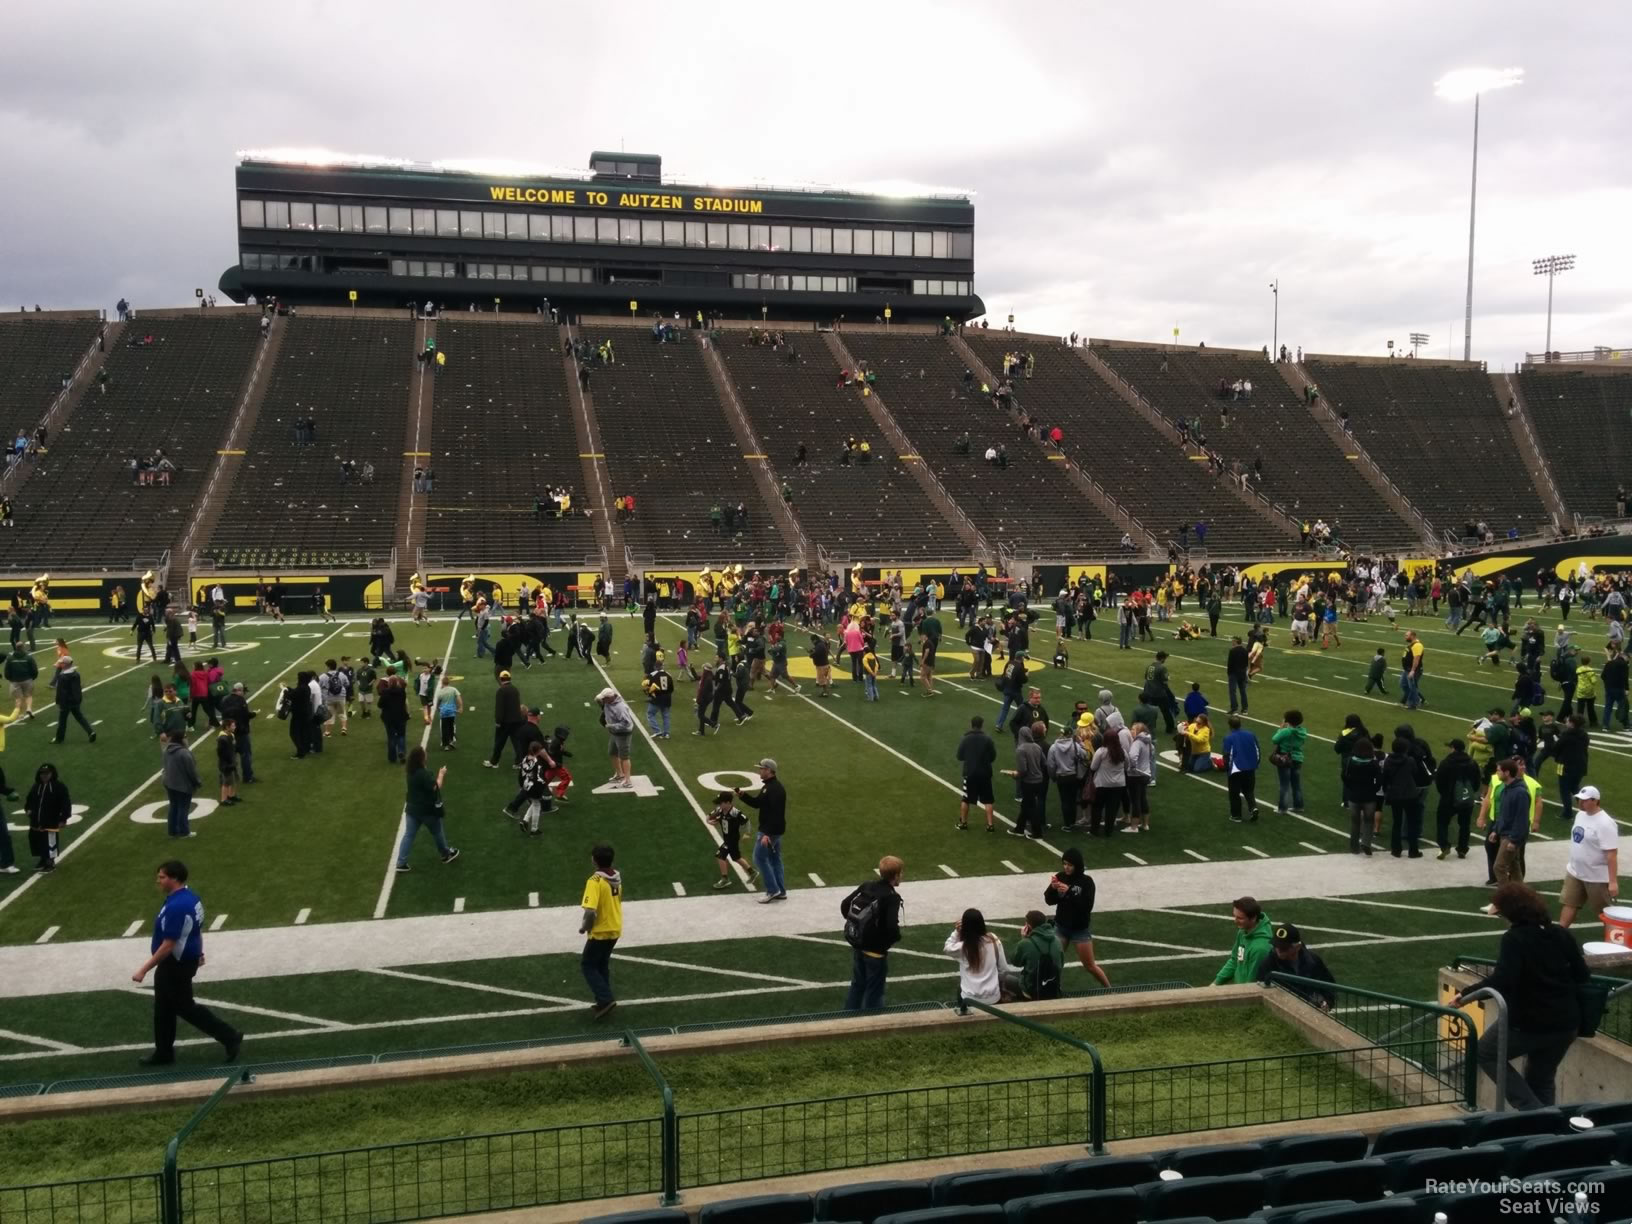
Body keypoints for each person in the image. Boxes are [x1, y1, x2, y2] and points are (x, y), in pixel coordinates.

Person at [1452, 882, 1590, 1110]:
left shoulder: (1514, 938)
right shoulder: (1561, 933)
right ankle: (1547, 1125)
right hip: (1566, 1022)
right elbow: (1582, 974)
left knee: (1485, 1052)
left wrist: (1465, 995)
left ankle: (1532, 1112)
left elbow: (1502, 980)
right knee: (1541, 1079)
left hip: (1529, 1023)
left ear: (1510, 913)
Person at [131, 860, 243, 1066]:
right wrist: (199, 951)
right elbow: (195, 930)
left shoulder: (177, 906)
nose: (158, 880)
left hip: (175, 964)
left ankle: (229, 1036)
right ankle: (164, 1052)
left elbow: (168, 945)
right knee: (163, 1008)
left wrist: (143, 970)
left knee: (185, 1008)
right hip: (182, 961)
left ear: (174, 878)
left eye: (162, 877)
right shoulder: (190, 898)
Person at [840, 855, 905, 1010]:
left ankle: (848, 1018)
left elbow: (845, 904)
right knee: (875, 992)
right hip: (876, 951)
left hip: (858, 945)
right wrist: (893, 939)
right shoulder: (891, 897)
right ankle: (872, 1021)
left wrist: (856, 925)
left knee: (857, 985)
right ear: (896, 875)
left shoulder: (867, 885)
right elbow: (891, 927)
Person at [1045, 847, 1111, 987]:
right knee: (1054, 963)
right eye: (1064, 864)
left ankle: (1110, 990)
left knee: (1090, 966)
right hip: (1061, 927)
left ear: (1077, 865)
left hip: (1079, 930)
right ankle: (1054, 990)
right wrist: (1052, 888)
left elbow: (1087, 906)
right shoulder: (1061, 876)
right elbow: (1049, 900)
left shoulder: (1087, 882)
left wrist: (1069, 892)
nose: (1066, 867)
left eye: (1070, 865)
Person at [1560, 785, 1619, 929]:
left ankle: (1615, 937)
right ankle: (1559, 933)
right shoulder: (1580, 815)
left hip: (1595, 876)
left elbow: (1611, 854)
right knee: (1569, 903)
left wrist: (1612, 882)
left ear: (1595, 801)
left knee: (1604, 912)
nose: (1580, 803)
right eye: (1579, 799)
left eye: (1585, 800)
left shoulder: (1605, 823)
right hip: (1575, 871)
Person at [395, 746, 460, 871]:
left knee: (409, 835)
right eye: (424, 754)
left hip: (412, 810)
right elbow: (436, 786)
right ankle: (446, 854)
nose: (426, 755)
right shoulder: (424, 774)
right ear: (421, 758)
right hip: (427, 811)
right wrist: (441, 774)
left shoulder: (410, 772)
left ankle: (401, 862)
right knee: (437, 832)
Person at [579, 843, 623, 1020]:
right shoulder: (616, 878)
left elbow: (590, 910)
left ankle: (605, 999)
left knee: (588, 965)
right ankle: (602, 1000)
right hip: (615, 927)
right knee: (601, 965)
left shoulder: (595, 881)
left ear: (594, 860)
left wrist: (585, 927)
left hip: (601, 930)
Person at [736, 758, 787, 902]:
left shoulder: (773, 789)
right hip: (775, 830)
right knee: (774, 859)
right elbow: (758, 803)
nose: (759, 771)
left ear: (769, 770)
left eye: (762, 769)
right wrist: (743, 796)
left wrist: (767, 834)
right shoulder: (769, 787)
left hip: (769, 831)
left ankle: (773, 890)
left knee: (759, 858)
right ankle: (781, 891)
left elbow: (776, 813)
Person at [1256, 921, 1336, 1010]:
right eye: (1276, 945)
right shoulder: (1268, 964)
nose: (1279, 950)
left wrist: (1327, 1003)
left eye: (1284, 948)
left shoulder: (1313, 961)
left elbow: (1329, 985)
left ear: (1297, 947)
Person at [944, 908, 1010, 1005]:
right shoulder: (993, 940)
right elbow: (1003, 969)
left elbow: (947, 948)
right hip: (993, 997)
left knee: (960, 989)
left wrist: (957, 932)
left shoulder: (963, 947)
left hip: (969, 999)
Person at [1434, 737, 1481, 861]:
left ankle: (1444, 845)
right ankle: (1462, 849)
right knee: (1465, 825)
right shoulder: (1472, 762)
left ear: (1453, 748)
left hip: (1448, 799)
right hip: (1467, 797)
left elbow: (1439, 781)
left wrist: (1445, 794)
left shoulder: (1446, 762)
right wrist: (1470, 792)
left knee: (1442, 822)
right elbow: (1477, 781)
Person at [1213, 896, 1274, 985]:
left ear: (1253, 918)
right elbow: (1235, 960)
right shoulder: (1243, 931)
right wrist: (1215, 984)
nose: (1235, 921)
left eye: (1240, 918)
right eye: (1234, 916)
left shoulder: (1260, 949)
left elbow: (1253, 983)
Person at [1009, 910, 1065, 1000]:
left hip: (1032, 991)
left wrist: (1023, 939)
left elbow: (1015, 961)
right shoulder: (1057, 941)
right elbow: (1061, 963)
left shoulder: (1025, 943)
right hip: (1053, 989)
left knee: (1005, 979)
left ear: (1028, 926)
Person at [706, 791, 757, 890]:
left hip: (732, 839)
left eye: (721, 803)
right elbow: (711, 814)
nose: (719, 805)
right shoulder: (720, 809)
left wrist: (747, 833)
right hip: (727, 838)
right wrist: (708, 820)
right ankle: (752, 872)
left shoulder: (735, 812)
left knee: (720, 855)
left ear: (728, 803)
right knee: (736, 857)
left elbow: (746, 821)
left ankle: (725, 879)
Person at [23, 762, 69, 872]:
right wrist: (28, 809)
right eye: (42, 773)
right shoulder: (36, 786)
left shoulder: (58, 787)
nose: (44, 776)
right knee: (37, 841)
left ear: (52, 774)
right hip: (35, 821)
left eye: (47, 773)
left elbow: (66, 803)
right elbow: (29, 800)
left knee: (50, 842)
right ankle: (43, 860)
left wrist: (63, 818)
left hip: (50, 821)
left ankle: (50, 863)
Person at [1341, 735, 1381, 856]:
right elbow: (1379, 779)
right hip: (1369, 795)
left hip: (1354, 795)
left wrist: (1350, 787)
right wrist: (1374, 789)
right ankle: (1366, 843)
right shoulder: (1373, 763)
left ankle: (1354, 847)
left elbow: (1344, 776)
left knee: (1355, 822)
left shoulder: (1349, 761)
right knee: (1369, 820)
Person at [956, 715, 997, 832]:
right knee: (988, 800)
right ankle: (990, 825)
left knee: (966, 799)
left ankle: (963, 823)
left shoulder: (965, 739)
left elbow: (959, 756)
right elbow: (993, 756)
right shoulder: (988, 739)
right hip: (985, 773)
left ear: (971, 724)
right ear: (982, 725)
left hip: (970, 773)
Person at [160, 731, 201, 839]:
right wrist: (197, 782)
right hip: (182, 785)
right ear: (181, 739)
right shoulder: (184, 753)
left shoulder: (166, 750)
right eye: (185, 737)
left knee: (173, 806)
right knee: (183, 808)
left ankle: (172, 831)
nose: (187, 739)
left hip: (169, 783)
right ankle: (184, 832)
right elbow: (191, 771)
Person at [1222, 714, 1261, 823]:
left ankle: (1236, 816)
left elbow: (1227, 755)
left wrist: (1227, 768)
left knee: (1234, 793)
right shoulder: (1251, 735)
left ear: (1230, 725)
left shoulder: (1228, 738)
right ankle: (1253, 807)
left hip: (1236, 769)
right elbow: (1257, 751)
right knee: (1248, 790)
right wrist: (1255, 764)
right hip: (1250, 768)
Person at [51, 654, 95, 744]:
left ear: (65, 664)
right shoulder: (76, 674)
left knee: (62, 721)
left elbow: (60, 691)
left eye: (62, 663)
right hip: (75, 700)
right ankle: (90, 732)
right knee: (80, 717)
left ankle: (59, 739)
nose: (60, 664)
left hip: (66, 702)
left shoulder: (62, 677)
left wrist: (58, 702)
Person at [596, 687, 636, 788]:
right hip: (615, 733)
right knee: (612, 752)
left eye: (604, 698)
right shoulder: (608, 702)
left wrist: (612, 726)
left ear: (610, 698)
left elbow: (626, 724)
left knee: (624, 757)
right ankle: (619, 774)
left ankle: (628, 781)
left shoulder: (620, 708)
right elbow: (598, 700)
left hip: (623, 734)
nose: (602, 700)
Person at [486, 670, 525, 769]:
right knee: (517, 742)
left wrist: (498, 721)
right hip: (517, 720)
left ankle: (494, 762)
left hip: (505, 722)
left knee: (499, 742)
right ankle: (519, 762)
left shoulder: (501, 690)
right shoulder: (515, 689)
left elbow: (500, 708)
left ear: (500, 679)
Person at [1271, 710, 1307, 814]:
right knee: (1296, 784)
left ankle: (1282, 808)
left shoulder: (1286, 731)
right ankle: (1299, 806)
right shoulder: (1303, 731)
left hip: (1285, 759)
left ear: (1287, 720)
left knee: (1284, 785)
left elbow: (1274, 740)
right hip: (1298, 759)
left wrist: (1280, 729)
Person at [1226, 636, 1250, 713]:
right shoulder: (1245, 650)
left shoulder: (1232, 651)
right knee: (1243, 691)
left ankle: (1234, 708)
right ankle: (1245, 708)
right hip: (1242, 673)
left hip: (1233, 673)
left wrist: (1229, 673)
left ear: (1236, 641)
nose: (1232, 642)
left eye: (1233, 641)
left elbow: (1230, 663)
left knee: (1232, 691)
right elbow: (1246, 663)